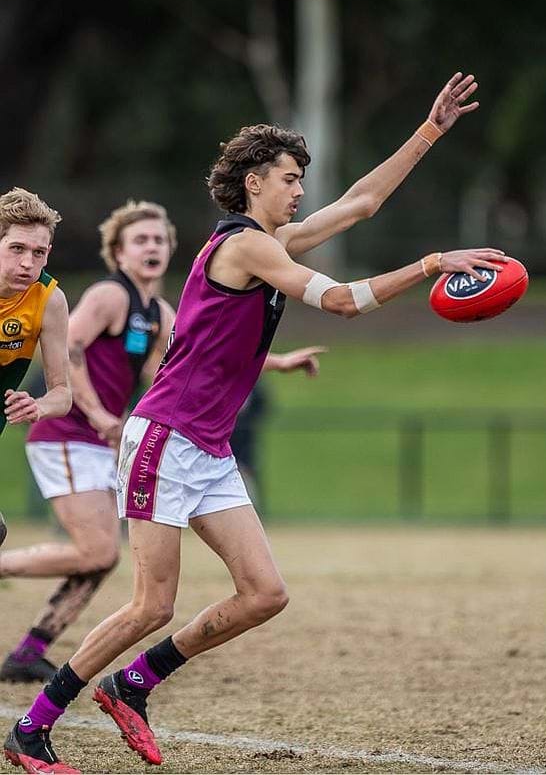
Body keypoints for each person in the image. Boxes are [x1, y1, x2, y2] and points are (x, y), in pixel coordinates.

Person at [3, 70, 506, 774]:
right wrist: (429, 263)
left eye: (301, 180)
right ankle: (32, 726)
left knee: (265, 593)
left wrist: (429, 129)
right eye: (290, 178)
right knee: (151, 605)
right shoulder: (244, 245)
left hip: (203, 448)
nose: (300, 190)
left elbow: (361, 203)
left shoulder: (270, 242)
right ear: (254, 185)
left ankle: (133, 685)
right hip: (163, 439)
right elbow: (340, 301)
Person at [0, 201, 321, 686]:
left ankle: (31, 649)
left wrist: (279, 362)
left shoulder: (158, 311)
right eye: (140, 240)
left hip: (106, 440)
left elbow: (197, 356)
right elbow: (73, 349)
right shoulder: (110, 295)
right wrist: (99, 413)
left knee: (102, 556)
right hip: (72, 435)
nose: (152, 247)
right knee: (97, 552)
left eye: (159, 240)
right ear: (118, 252)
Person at [0, 188, 73, 555]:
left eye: (38, 252)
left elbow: (62, 392)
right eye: (17, 249)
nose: (28, 263)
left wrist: (39, 406)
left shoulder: (48, 300)